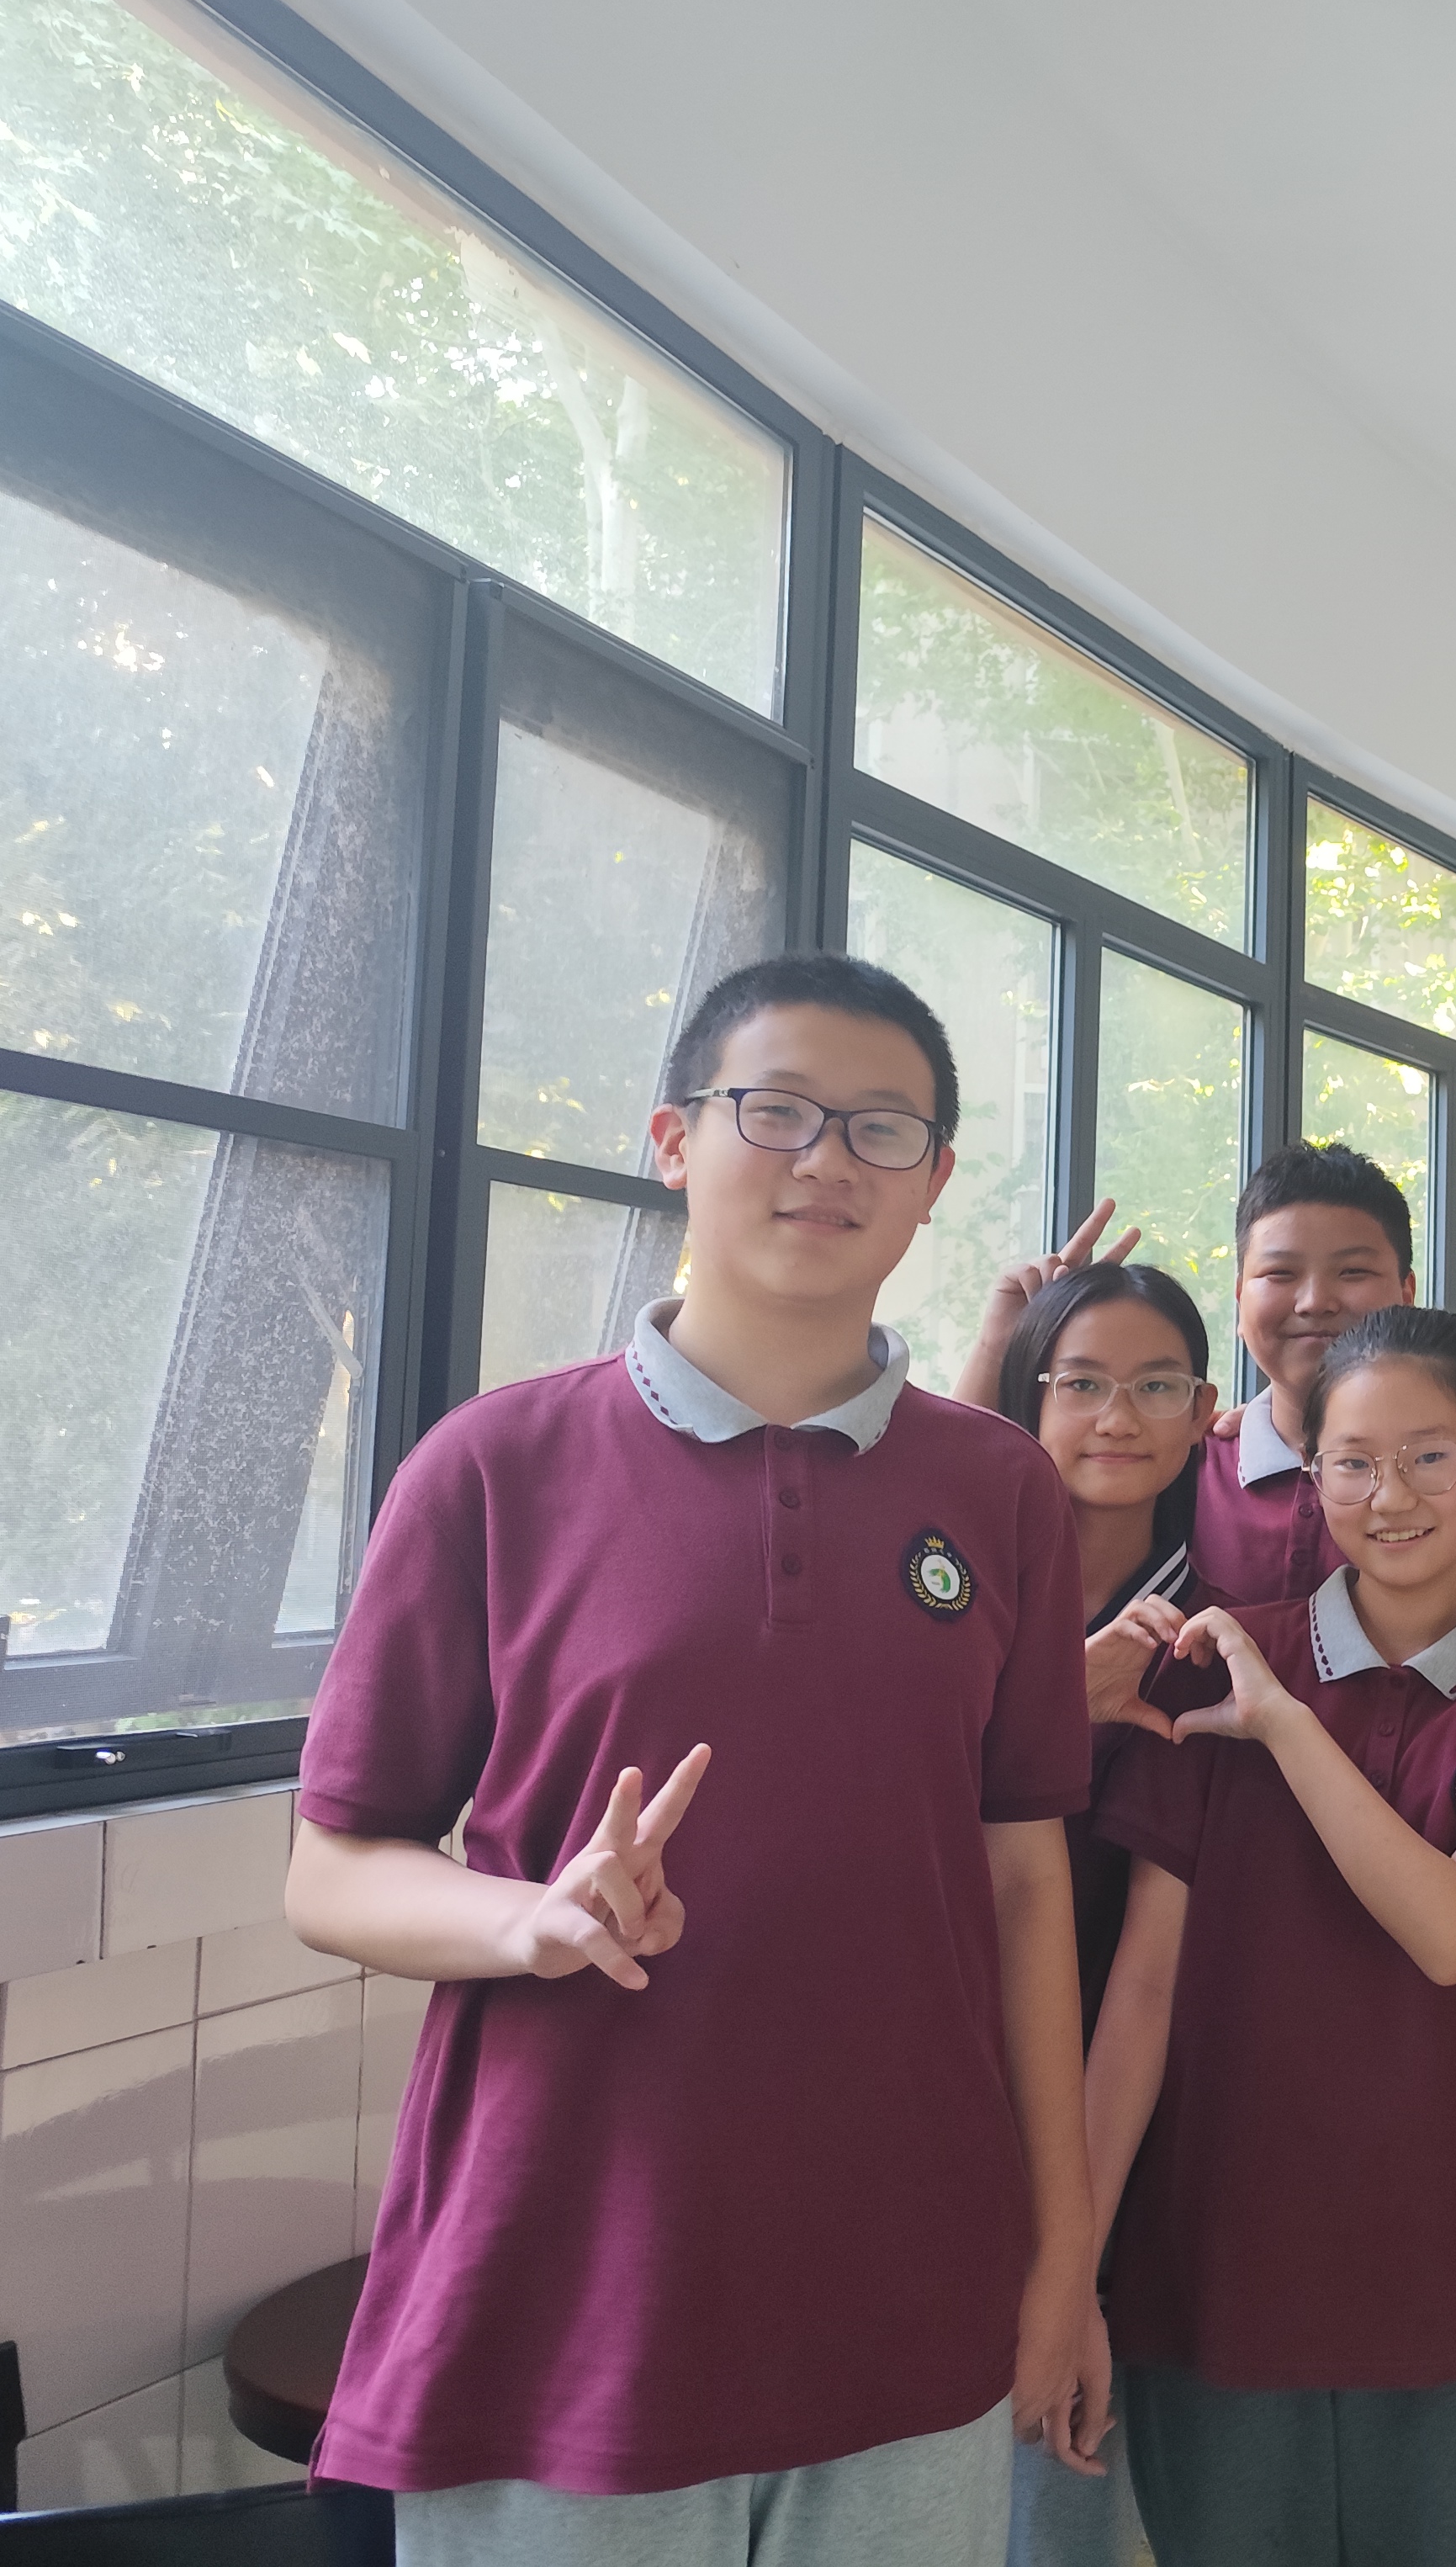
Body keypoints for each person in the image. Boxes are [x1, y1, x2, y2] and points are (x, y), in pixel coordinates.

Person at [281, 953, 1107, 2564]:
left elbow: (1026, 1887)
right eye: (776, 1110)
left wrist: (1063, 2256)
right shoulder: (494, 1464)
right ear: (674, 1139)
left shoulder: (1000, 1490)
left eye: (881, 1129)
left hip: (911, 2290)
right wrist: (530, 1921)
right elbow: (334, 1866)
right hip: (559, 2295)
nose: (826, 1160)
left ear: (935, 1181)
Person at [1083, 1307, 1456, 2564]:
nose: (1393, 1497)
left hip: (1454, 2275)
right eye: (1354, 1462)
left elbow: (1455, 1932)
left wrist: (1284, 1726)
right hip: (1211, 2275)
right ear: (1309, 1472)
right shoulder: (1216, 1662)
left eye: (1431, 1457)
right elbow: (1143, 1993)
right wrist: (1072, 2273)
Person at [983, 1260, 1226, 2567]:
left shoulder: (1216, 1635)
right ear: (1029, 1396)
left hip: (1127, 2110)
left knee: (1079, 2497)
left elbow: (1151, 1975)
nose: (1117, 1416)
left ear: (1205, 1414)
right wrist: (1049, 1712)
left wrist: (1070, 2251)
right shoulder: (953, 1598)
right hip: (936, 2077)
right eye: (1080, 1383)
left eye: (1155, 1385)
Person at [1192, 1140, 1456, 1651]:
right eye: (1280, 1274)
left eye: (1353, 1272)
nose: (1315, 1301)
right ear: (1239, 1296)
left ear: (1407, 1293)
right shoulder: (1190, 1468)